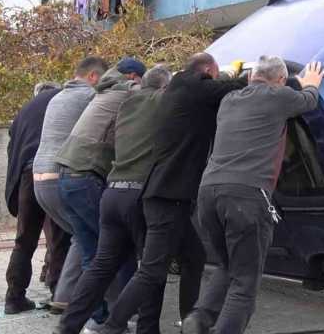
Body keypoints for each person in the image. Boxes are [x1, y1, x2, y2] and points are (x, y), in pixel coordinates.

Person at [95, 53, 247, 334]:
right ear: (208, 70)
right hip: (168, 197)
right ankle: (112, 326)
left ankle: (190, 322)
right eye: (213, 74)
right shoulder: (193, 85)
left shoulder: (179, 89)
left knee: (195, 256)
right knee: (152, 270)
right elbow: (233, 88)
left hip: (167, 195)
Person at [182, 56, 324, 334]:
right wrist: (312, 84)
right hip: (245, 197)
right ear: (280, 81)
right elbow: (308, 101)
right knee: (245, 282)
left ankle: (198, 319)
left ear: (250, 78)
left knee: (229, 265)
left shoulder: (229, 100)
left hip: (208, 194)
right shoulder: (278, 97)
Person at [55, 65, 173, 334]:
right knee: (144, 265)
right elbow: (158, 92)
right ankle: (130, 324)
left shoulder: (105, 94)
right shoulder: (135, 94)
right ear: (133, 78)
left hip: (87, 183)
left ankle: (72, 325)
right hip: (104, 183)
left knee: (99, 262)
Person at [33, 56, 109, 313]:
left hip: (39, 179)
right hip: (61, 176)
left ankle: (65, 298)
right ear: (93, 77)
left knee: (80, 235)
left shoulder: (58, 97)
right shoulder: (89, 96)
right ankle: (97, 303)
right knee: (96, 237)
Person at [4, 81, 62, 314]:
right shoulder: (62, 102)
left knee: (24, 239)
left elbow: (12, 146)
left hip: (28, 175)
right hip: (53, 172)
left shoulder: (25, 110)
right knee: (59, 237)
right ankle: (59, 294)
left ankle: (14, 297)